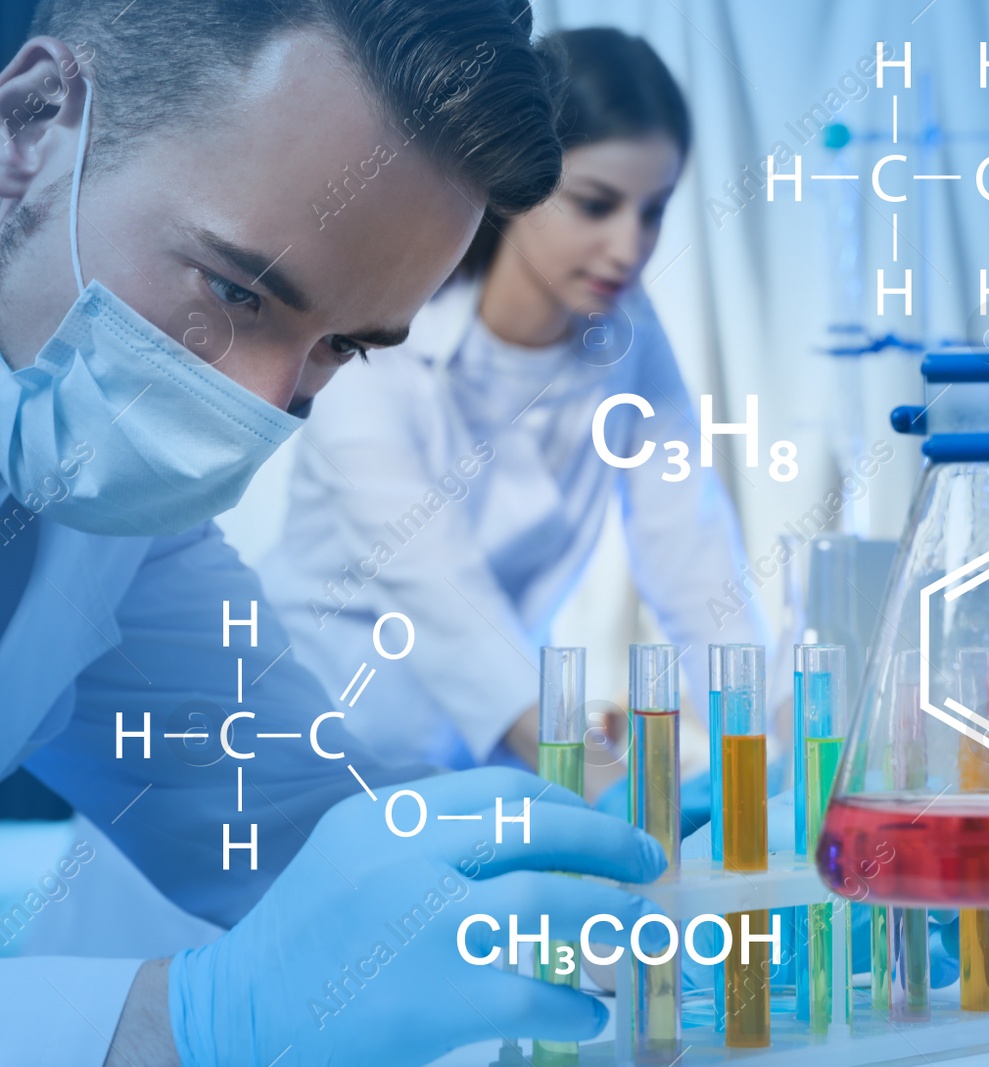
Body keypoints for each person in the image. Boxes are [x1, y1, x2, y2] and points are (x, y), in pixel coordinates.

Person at [0, 2, 666, 1063]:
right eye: (234, 290)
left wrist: (601, 883)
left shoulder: (116, 514)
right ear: (30, 126)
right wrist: (184, 1019)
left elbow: (300, 828)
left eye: (340, 347)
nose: (269, 402)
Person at [261, 27, 772, 777]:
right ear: (521, 181)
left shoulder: (627, 333)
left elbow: (692, 556)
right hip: (302, 731)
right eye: (595, 205)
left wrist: (770, 746)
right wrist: (593, 773)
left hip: (468, 760)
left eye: (653, 209)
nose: (629, 247)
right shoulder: (383, 326)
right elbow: (438, 587)